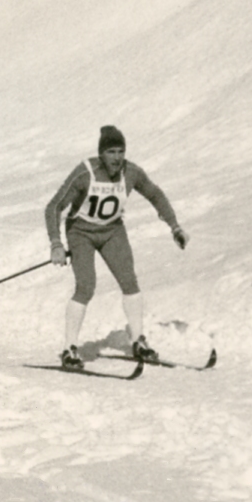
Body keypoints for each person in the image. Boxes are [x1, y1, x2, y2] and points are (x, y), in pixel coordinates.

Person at [44, 125, 188, 369]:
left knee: (129, 282)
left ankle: (138, 342)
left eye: (121, 151)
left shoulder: (131, 172)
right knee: (86, 286)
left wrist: (175, 227)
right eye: (111, 152)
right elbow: (54, 207)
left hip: (112, 231)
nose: (117, 157)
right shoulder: (85, 173)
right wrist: (56, 243)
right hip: (81, 233)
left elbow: (156, 195)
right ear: (101, 154)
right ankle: (69, 348)